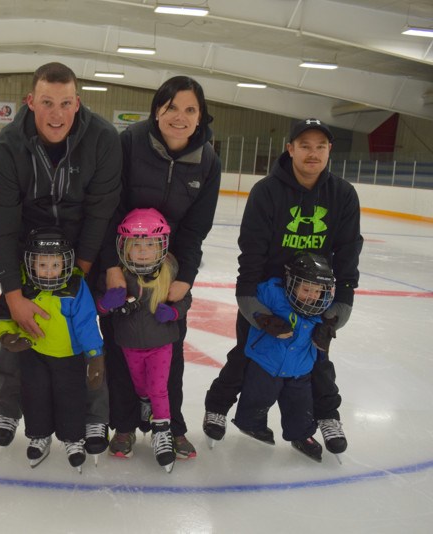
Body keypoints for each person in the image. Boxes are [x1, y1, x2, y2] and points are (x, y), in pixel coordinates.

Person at [0, 62, 122, 456]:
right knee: (15, 326)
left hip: (83, 249)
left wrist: (80, 272)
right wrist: (13, 291)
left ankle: (95, 417)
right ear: (30, 102)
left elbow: (102, 210)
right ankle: (8, 408)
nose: (56, 114)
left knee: (86, 332)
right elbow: (3, 224)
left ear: (77, 103)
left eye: (65, 103)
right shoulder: (9, 145)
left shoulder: (103, 139)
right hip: (29, 251)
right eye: (47, 103)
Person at [203, 118, 363, 456]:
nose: (313, 153)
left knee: (316, 360)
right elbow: (252, 251)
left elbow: (348, 251)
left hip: (314, 296)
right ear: (290, 148)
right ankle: (218, 407)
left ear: (329, 150)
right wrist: (252, 305)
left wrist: (339, 308)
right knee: (247, 355)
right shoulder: (267, 192)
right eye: (304, 145)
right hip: (267, 294)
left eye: (320, 146)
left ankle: (326, 417)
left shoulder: (343, 195)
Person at [98, 76, 221, 460]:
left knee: (170, 353)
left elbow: (197, 229)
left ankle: (171, 426)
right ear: (157, 110)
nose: (179, 117)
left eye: (190, 110)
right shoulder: (131, 143)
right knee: (119, 350)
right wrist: (110, 267)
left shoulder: (208, 161)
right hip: (122, 263)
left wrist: (184, 279)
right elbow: (106, 207)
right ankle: (123, 425)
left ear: (200, 117)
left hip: (168, 270)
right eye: (171, 108)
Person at [0, 227, 104, 472]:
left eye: (55, 265)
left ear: (65, 263)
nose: (49, 271)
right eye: (42, 265)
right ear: (31, 264)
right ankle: (39, 435)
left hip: (69, 357)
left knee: (71, 398)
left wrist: (95, 356)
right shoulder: (21, 283)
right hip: (34, 354)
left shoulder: (75, 286)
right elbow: (4, 313)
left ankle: (73, 439)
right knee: (35, 396)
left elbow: (86, 323)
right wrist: (7, 335)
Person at [95, 209, 191, 472]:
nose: (143, 251)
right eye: (137, 244)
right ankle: (139, 414)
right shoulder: (117, 275)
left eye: (150, 244)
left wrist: (174, 311)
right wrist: (105, 303)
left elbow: (185, 299)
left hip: (162, 344)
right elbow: (98, 307)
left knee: (159, 388)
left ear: (161, 246)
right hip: (128, 346)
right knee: (140, 388)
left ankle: (162, 431)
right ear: (124, 246)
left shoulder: (170, 271)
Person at [233, 253, 336, 462]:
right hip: (266, 361)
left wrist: (328, 329)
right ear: (290, 282)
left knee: (300, 404)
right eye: (306, 289)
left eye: (317, 291)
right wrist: (263, 318)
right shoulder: (272, 292)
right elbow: (249, 296)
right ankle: (251, 423)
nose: (312, 296)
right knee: (258, 397)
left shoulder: (324, 305)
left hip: (301, 367)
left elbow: (334, 317)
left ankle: (301, 434)